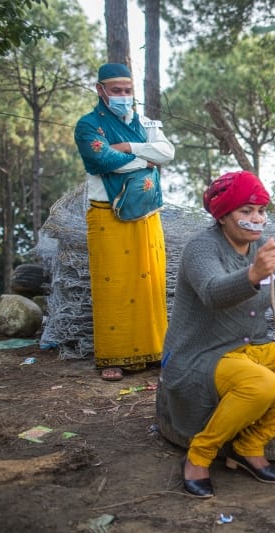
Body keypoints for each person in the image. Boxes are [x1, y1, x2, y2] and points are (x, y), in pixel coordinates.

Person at [157, 170, 275, 498]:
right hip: (202, 355)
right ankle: (199, 456)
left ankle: (249, 445)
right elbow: (212, 292)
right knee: (261, 384)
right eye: (246, 210)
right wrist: (253, 274)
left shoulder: (262, 248)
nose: (256, 218)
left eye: (261, 211)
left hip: (251, 348)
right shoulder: (201, 248)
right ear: (223, 215)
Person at [74, 63, 175, 381]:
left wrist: (130, 148)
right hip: (108, 216)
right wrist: (146, 159)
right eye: (116, 90)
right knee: (113, 286)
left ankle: (155, 351)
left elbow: (167, 152)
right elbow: (101, 159)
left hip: (147, 214)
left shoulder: (144, 123)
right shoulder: (88, 125)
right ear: (100, 90)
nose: (123, 96)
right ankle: (113, 358)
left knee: (150, 284)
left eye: (127, 90)